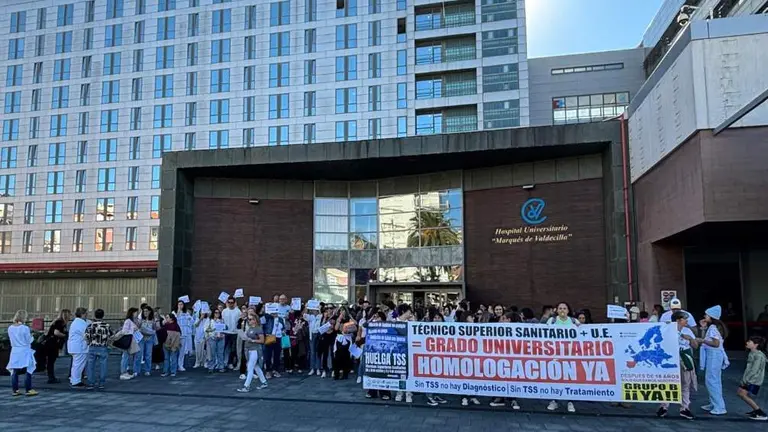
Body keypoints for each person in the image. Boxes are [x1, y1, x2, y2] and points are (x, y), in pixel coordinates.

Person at [657, 311, 698, 420]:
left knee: (685, 384)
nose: (687, 321)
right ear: (679, 320)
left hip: (684, 358)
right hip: (671, 359)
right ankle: (664, 407)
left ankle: (685, 408)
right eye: (685, 319)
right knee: (668, 383)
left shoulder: (687, 330)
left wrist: (690, 338)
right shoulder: (667, 330)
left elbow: (695, 346)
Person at [696, 305, 729, 416]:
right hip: (715, 355)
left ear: (711, 316)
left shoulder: (714, 327)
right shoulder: (715, 327)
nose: (705, 316)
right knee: (715, 380)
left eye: (706, 314)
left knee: (711, 380)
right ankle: (714, 403)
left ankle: (719, 406)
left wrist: (702, 341)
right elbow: (708, 339)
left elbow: (715, 343)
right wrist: (703, 328)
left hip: (714, 355)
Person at [546, 302, 578, 413]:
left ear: (568, 310)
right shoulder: (552, 321)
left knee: (570, 378)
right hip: (555, 354)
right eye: (560, 308)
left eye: (564, 308)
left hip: (570, 354)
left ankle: (570, 401)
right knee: (555, 377)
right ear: (557, 310)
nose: (562, 310)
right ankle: (554, 400)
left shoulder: (574, 321)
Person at [489, 311, 521, 410]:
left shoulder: (518, 331)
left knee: (511, 377)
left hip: (511, 359)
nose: (500, 320)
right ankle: (500, 397)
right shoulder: (496, 330)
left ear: (509, 320)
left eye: (503, 319)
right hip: (499, 359)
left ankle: (512, 398)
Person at [7, 310, 38, 397]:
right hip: (24, 350)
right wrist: (32, 337)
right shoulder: (25, 328)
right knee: (28, 369)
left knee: (15, 370)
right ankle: (28, 389)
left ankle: (15, 390)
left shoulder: (10, 328)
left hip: (15, 351)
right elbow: (28, 340)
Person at [237, 314, 269, 392]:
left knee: (250, 367)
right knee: (256, 366)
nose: (249, 321)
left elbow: (262, 340)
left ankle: (246, 386)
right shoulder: (250, 328)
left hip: (255, 349)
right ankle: (264, 382)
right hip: (249, 349)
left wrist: (253, 340)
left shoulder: (258, 329)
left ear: (255, 320)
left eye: (251, 319)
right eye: (249, 319)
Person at [738, 336, 767, 421]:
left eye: (749, 342)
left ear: (756, 345)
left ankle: (759, 412)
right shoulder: (752, 353)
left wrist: (746, 380)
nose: (747, 343)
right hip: (748, 378)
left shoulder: (758, 355)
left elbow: (754, 369)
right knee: (740, 393)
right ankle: (756, 410)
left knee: (742, 394)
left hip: (752, 380)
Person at [84, 309, 112, 390]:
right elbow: (111, 336)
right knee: (103, 365)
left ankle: (91, 383)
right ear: (103, 316)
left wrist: (89, 343)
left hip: (92, 347)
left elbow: (86, 337)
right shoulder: (107, 326)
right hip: (103, 347)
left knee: (90, 366)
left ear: (94, 316)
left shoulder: (90, 326)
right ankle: (101, 383)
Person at [43, 309, 71, 384]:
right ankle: (51, 378)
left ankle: (51, 377)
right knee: (51, 361)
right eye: (69, 314)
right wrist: (65, 335)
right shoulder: (60, 322)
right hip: (52, 344)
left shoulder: (58, 322)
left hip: (51, 344)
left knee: (50, 361)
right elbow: (56, 332)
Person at [394, 304, 415, 404]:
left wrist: (414, 322)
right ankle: (400, 391)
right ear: (403, 312)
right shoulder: (394, 322)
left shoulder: (410, 323)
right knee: (400, 373)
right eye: (409, 311)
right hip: (398, 351)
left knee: (409, 372)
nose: (410, 313)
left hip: (409, 351)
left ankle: (408, 392)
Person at [67, 307, 89, 388]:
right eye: (86, 313)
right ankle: (76, 381)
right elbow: (86, 334)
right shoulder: (80, 323)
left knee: (76, 364)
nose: (87, 315)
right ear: (83, 314)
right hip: (79, 347)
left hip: (76, 346)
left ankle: (74, 379)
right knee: (78, 365)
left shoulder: (76, 322)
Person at [120, 308, 140, 380]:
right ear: (132, 313)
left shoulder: (134, 321)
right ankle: (123, 372)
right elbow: (124, 331)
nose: (137, 314)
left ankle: (125, 371)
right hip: (128, 340)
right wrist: (132, 330)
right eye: (136, 312)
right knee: (125, 356)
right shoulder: (128, 321)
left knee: (128, 356)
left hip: (133, 340)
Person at [221, 297, 240, 370]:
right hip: (225, 332)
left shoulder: (238, 311)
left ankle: (230, 362)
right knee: (223, 348)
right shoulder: (224, 311)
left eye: (232, 302)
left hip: (235, 333)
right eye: (229, 302)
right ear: (227, 303)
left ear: (234, 303)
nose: (230, 304)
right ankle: (221, 362)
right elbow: (222, 321)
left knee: (233, 349)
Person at [137, 307, 157, 376]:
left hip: (150, 339)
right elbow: (137, 329)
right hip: (141, 339)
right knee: (139, 354)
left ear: (150, 312)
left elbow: (155, 330)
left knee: (148, 355)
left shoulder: (153, 321)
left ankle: (147, 370)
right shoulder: (140, 320)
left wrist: (150, 332)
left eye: (147, 311)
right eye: (144, 311)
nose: (145, 313)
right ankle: (137, 370)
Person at [175, 301, 194, 372]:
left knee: (182, 351)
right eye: (179, 304)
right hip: (176, 334)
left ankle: (180, 365)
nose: (180, 306)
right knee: (174, 350)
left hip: (184, 334)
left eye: (181, 304)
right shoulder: (174, 313)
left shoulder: (186, 313)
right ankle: (174, 364)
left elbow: (192, 321)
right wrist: (178, 313)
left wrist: (189, 318)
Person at [206, 308, 227, 373]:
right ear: (213, 313)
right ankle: (211, 367)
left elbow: (224, 328)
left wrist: (223, 332)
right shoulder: (209, 320)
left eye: (218, 313)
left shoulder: (222, 320)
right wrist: (213, 329)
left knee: (220, 353)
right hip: (212, 338)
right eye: (215, 312)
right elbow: (206, 329)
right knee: (212, 353)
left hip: (221, 338)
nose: (217, 314)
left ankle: (221, 367)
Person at [317, 307, 335, 378]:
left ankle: (333, 370)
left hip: (332, 337)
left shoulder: (334, 317)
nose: (328, 311)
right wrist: (324, 318)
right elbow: (321, 327)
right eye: (327, 310)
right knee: (325, 353)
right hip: (324, 337)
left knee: (332, 353)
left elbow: (332, 328)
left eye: (330, 309)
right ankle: (324, 369)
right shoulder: (323, 318)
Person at [306, 306, 321, 376]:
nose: (314, 311)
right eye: (313, 309)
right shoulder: (310, 316)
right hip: (311, 335)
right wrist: (307, 307)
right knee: (312, 352)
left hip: (318, 335)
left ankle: (318, 368)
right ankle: (312, 368)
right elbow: (304, 316)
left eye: (316, 310)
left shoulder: (320, 316)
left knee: (317, 352)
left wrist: (319, 309)